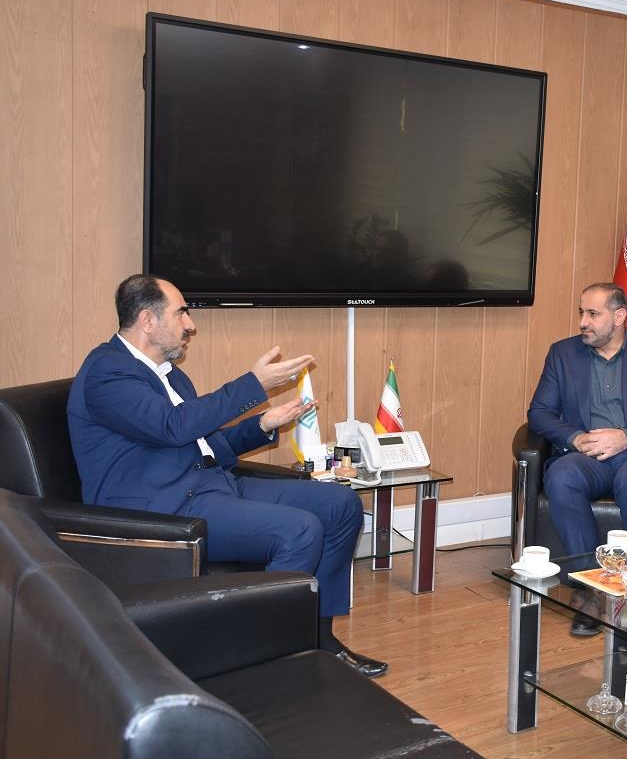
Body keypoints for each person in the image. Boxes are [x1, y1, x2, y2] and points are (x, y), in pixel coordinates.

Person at [67, 274, 388, 678]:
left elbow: (204, 444)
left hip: (211, 487)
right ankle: (265, 660)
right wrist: (253, 385)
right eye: (181, 313)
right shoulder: (107, 372)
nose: (190, 325)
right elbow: (173, 428)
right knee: (299, 530)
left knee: (341, 504)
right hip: (163, 509)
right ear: (147, 320)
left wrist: (263, 424)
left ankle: (318, 638)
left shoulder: (169, 374)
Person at [528, 283, 627, 635]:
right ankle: (591, 591)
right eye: (581, 313)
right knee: (562, 476)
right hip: (590, 454)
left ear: (619, 316)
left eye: (593, 314)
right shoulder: (562, 354)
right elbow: (539, 413)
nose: (583, 322)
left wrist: (626, 437)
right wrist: (575, 438)